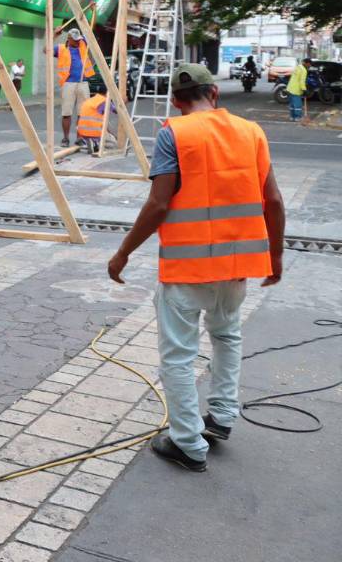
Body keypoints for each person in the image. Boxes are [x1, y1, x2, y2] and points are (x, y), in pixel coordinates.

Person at [108, 63, 284, 473]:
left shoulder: (175, 132)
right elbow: (273, 201)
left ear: (175, 100)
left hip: (187, 270)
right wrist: (274, 259)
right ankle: (221, 418)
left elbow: (159, 203)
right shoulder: (252, 132)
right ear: (214, 93)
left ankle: (187, 443)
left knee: (178, 356)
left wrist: (123, 253)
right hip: (237, 267)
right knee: (227, 338)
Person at [55, 28, 93, 147]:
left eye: (79, 40)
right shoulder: (61, 48)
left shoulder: (83, 46)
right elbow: (46, 50)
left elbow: (91, 29)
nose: (78, 42)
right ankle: (66, 139)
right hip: (68, 83)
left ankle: (79, 138)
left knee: (82, 113)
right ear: (69, 39)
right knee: (67, 112)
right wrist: (54, 35)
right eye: (75, 40)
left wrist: (93, 12)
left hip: (83, 82)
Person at [75, 83, 114, 153]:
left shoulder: (90, 100)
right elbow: (118, 111)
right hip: (95, 132)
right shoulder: (104, 101)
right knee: (113, 144)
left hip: (82, 132)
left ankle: (86, 141)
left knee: (103, 121)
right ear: (107, 93)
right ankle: (95, 143)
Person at [286, 57, 308, 122]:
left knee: (292, 104)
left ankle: (292, 117)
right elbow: (302, 81)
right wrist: (304, 90)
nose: (309, 66)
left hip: (290, 88)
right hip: (296, 90)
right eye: (309, 64)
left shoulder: (297, 67)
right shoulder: (303, 70)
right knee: (298, 105)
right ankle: (297, 117)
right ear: (307, 63)